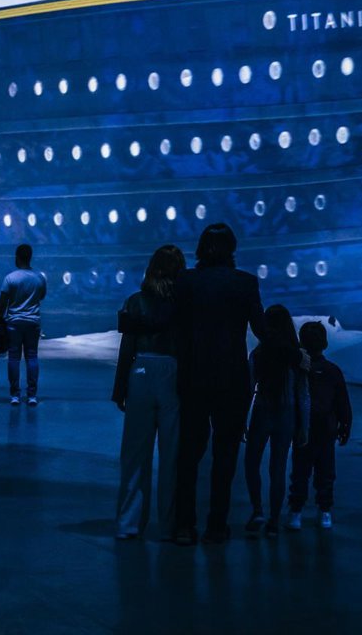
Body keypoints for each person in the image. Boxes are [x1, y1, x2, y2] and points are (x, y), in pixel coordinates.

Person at [172, 223, 266, 545]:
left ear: (200, 248)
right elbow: (261, 329)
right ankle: (216, 525)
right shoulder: (245, 283)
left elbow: (175, 328)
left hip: (192, 377)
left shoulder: (186, 281)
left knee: (188, 454)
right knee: (225, 456)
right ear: (233, 248)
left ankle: (184, 525)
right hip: (231, 379)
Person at [113, 244, 186, 541]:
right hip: (174, 372)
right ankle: (168, 526)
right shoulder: (184, 303)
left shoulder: (135, 301)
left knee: (134, 454)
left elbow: (127, 348)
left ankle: (128, 524)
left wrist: (119, 388)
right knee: (172, 456)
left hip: (141, 370)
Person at [243, 305, 310, 537]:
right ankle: (273, 521)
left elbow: (249, 388)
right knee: (278, 467)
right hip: (287, 414)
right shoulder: (298, 356)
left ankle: (257, 511)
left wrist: (242, 419)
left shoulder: (259, 354)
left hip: (262, 411)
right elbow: (303, 394)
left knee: (252, 462)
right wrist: (304, 426)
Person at [286, 321, 353, 531]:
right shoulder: (333, 371)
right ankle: (324, 511)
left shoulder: (297, 369)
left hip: (303, 430)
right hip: (326, 430)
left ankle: (296, 511)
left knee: (300, 471)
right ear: (324, 343)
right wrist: (345, 425)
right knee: (325, 471)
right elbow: (342, 402)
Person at [0, 243, 47, 406]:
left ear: (17, 257)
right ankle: (32, 395)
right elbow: (41, 296)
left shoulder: (10, 278)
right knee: (32, 357)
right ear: (30, 257)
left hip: (14, 322)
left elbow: (2, 301)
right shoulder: (39, 278)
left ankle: (15, 395)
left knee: (14, 357)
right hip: (33, 322)